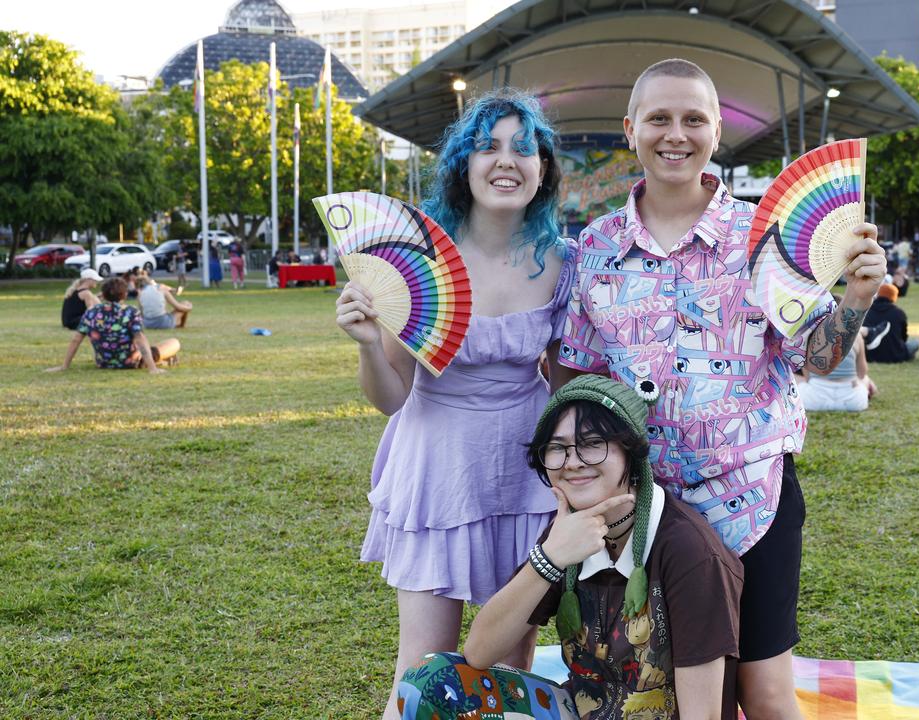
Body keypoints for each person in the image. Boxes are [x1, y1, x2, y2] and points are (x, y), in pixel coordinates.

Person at [556, 59, 886, 720]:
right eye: (658, 118)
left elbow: (817, 359)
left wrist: (856, 298)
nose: (675, 134)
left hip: (754, 499)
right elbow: (579, 374)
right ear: (630, 129)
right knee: (666, 688)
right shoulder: (596, 245)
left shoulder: (763, 236)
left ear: (717, 132)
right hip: (650, 515)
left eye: (693, 119)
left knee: (762, 692)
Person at [333, 89, 571, 720]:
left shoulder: (560, 263)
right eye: (488, 145)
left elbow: (560, 378)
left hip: (526, 472)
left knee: (509, 667)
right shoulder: (417, 258)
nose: (506, 161)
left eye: (524, 148)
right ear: (463, 163)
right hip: (439, 470)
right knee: (424, 668)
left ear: (542, 168)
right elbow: (393, 397)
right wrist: (366, 346)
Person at [398, 376, 744, 720]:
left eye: (593, 443)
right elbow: (479, 652)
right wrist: (549, 558)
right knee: (433, 681)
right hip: (581, 711)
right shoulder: (568, 533)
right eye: (558, 447)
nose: (573, 461)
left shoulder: (688, 551)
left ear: (631, 451)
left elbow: (704, 714)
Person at [46, 277, 178, 374]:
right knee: (174, 342)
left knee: (153, 348)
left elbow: (76, 340)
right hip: (130, 361)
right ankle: (152, 362)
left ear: (102, 295)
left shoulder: (91, 312)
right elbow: (140, 339)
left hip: (104, 363)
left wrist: (64, 366)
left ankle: (157, 361)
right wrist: (152, 369)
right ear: (125, 295)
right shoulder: (130, 312)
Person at [864, 283, 918, 363]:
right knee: (916, 343)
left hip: (870, 355)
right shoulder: (899, 313)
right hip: (895, 355)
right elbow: (903, 337)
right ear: (894, 297)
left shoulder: (866, 311)